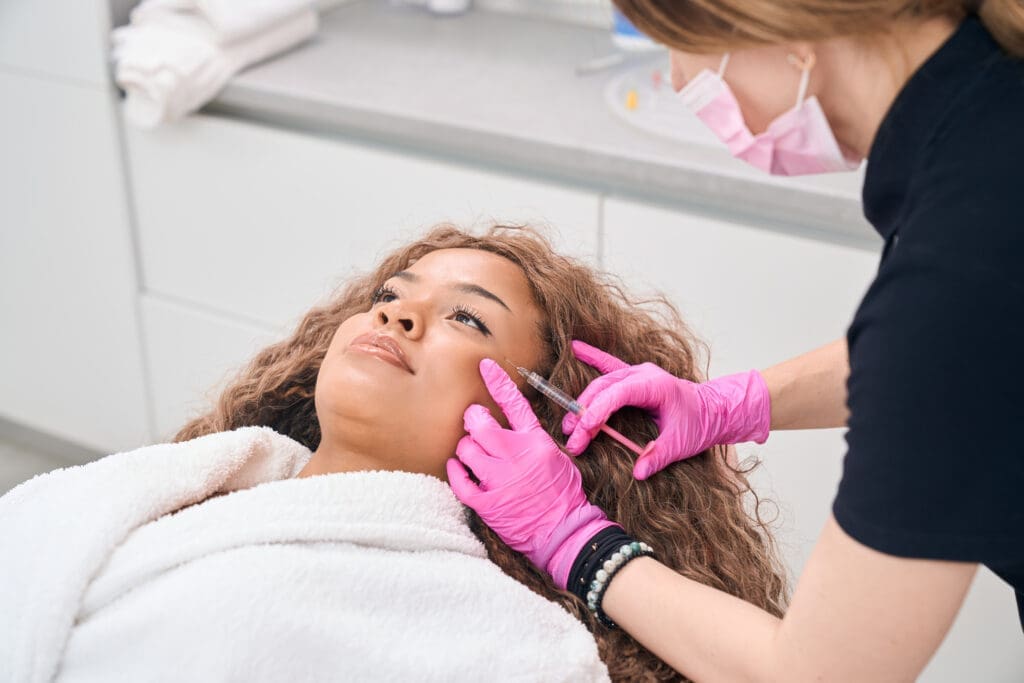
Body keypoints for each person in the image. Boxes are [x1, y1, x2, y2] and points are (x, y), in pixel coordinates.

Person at [449, 1, 1024, 681]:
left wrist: (577, 543)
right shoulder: (990, 134)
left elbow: (821, 674)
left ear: (790, 34)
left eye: (681, 45)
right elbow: (968, 362)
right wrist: (734, 403)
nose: (675, 76)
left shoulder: (965, 255)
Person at [0, 225, 784, 682]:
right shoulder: (180, 489)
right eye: (392, 295)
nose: (400, 315)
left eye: (468, 321)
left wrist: (575, 540)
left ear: (544, 422)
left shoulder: (505, 647)